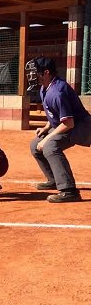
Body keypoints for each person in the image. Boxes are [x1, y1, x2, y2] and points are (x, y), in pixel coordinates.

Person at [26, 56, 91, 203]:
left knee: (50, 146)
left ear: (46, 73)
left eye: (35, 72)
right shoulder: (45, 88)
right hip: (68, 126)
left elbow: (68, 123)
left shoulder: (57, 92)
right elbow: (55, 114)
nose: (31, 75)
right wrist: (46, 127)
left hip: (81, 127)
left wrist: (47, 139)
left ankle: (69, 191)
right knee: (35, 145)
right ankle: (54, 179)